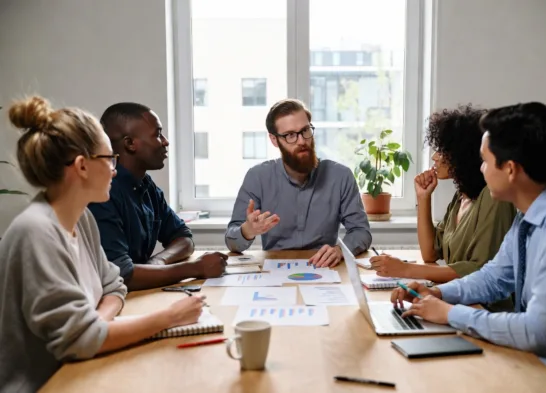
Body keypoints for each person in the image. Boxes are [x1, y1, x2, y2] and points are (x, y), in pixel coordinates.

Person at [0, 96, 207, 393]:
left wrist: (95, 325)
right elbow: (80, 340)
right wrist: (170, 317)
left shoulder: (81, 217)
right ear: (82, 167)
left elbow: (114, 286)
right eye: (109, 159)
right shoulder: (37, 232)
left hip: (80, 371)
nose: (114, 170)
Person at [391, 102, 546, 392]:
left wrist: (449, 313)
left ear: (510, 169)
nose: (480, 169)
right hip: (529, 364)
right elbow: (494, 277)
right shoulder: (527, 216)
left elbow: (538, 332)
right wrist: (438, 292)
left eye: (484, 160)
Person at [371, 105, 517, 311]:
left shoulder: (494, 200)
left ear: (462, 155)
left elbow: (479, 270)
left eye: (442, 151)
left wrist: (406, 269)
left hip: (485, 309)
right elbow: (430, 253)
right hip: (459, 303)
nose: (434, 157)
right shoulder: (461, 196)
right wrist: (423, 198)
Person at [88, 103, 227, 291]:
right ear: (130, 144)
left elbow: (183, 238)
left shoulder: (146, 185)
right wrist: (196, 268)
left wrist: (157, 262)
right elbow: (122, 275)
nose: (165, 141)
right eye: (158, 134)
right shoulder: (104, 193)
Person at [225, 98, 371, 267]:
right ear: (274, 140)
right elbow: (231, 240)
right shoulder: (257, 177)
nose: (301, 141)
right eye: (290, 135)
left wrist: (340, 250)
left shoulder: (341, 176)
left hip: (325, 268)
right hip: (275, 273)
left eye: (305, 130)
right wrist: (248, 230)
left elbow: (361, 231)